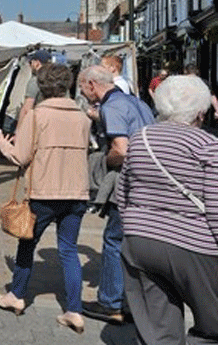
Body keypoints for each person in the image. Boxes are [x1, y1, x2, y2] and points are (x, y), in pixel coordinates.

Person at [118, 75, 218, 345]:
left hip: (140, 241)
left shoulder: (141, 138)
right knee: (212, 327)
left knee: (157, 332)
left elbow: (122, 192)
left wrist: (134, 226)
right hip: (194, 247)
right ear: (201, 112)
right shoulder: (208, 146)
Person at [0, 64, 91, 333]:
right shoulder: (82, 117)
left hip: (44, 192)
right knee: (69, 251)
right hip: (77, 193)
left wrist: (4, 145)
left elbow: (21, 156)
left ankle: (16, 295)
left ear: (42, 86)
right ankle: (74, 310)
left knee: (27, 245)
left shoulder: (37, 116)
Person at [78, 64, 154, 324]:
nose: (83, 94)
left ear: (91, 85)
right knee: (135, 245)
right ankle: (134, 302)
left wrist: (103, 162)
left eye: (82, 88)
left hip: (129, 182)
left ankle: (111, 303)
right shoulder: (137, 102)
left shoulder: (111, 107)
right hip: (149, 182)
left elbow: (121, 149)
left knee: (114, 240)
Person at [18, 49, 51, 121]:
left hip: (39, 120)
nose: (30, 65)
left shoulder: (35, 81)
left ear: (37, 63)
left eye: (31, 62)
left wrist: (20, 129)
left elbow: (27, 108)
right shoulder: (57, 80)